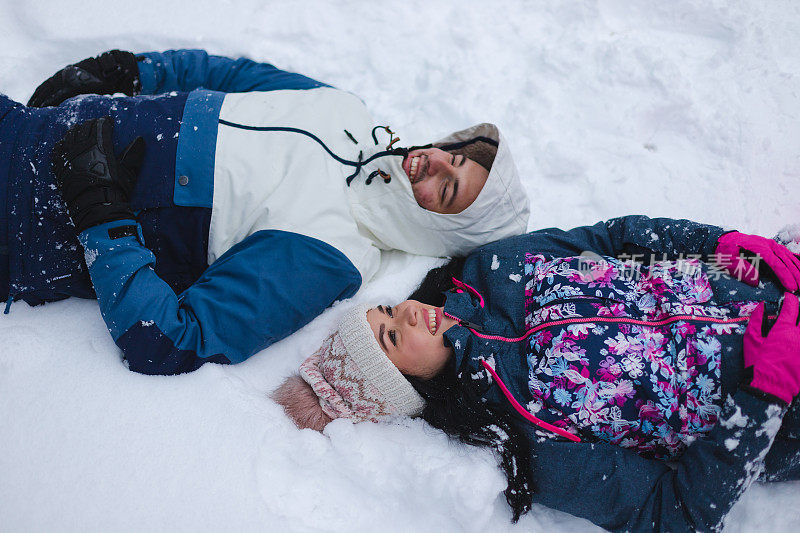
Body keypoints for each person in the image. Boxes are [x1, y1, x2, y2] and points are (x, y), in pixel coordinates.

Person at [0, 49, 530, 375]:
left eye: (445, 190)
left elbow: (172, 343)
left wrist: (101, 214)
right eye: (452, 157)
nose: (431, 164)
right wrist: (131, 71)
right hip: (29, 128)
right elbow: (234, 75)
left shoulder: (334, 250)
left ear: (442, 227)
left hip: (24, 220)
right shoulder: (347, 111)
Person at [274, 214, 800, 532]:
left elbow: (614, 243)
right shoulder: (525, 435)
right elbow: (674, 514)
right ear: (406, 384)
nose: (408, 312)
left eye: (388, 310)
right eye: (392, 337)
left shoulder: (492, 269)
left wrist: (723, 250)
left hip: (776, 279)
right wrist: (764, 398)